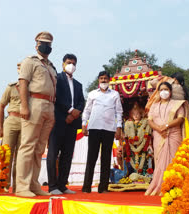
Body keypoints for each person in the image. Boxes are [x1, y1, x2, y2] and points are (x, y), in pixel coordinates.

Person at [15, 31, 56, 197]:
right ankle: (22, 186)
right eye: (43, 42)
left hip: (49, 105)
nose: (46, 46)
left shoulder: (51, 66)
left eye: (49, 43)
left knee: (39, 149)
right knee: (27, 146)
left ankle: (33, 184)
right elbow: (23, 84)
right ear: (37, 44)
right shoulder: (29, 61)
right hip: (34, 103)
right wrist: (24, 106)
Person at [47, 54, 85, 195]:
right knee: (53, 154)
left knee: (67, 155)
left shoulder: (78, 85)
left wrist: (76, 113)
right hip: (58, 121)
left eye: (74, 63)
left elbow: (81, 101)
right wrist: (70, 111)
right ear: (63, 64)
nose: (72, 65)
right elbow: (56, 97)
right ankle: (52, 186)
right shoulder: (56, 79)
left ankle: (62, 185)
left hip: (73, 123)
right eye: (69, 62)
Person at [145, 82, 189, 196]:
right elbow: (150, 121)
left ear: (170, 92)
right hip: (159, 136)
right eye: (161, 90)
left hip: (173, 135)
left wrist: (165, 126)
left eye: (166, 89)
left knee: (173, 160)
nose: (163, 92)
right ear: (158, 92)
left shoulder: (177, 104)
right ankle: (160, 185)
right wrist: (159, 129)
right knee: (159, 160)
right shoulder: (154, 105)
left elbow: (180, 119)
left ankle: (175, 185)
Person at [81, 71, 123, 193]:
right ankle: (86, 186)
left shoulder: (115, 94)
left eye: (105, 78)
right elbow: (87, 110)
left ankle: (103, 187)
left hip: (109, 129)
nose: (103, 81)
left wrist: (119, 127)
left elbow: (118, 112)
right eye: (101, 78)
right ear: (98, 80)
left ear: (109, 80)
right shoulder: (92, 94)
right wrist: (84, 124)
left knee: (106, 158)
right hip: (94, 128)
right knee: (91, 157)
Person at [0, 62, 22, 193]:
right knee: (6, 155)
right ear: (18, 70)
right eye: (20, 68)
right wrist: (0, 126)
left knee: (21, 157)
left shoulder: (32, 89)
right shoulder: (11, 87)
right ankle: (4, 185)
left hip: (25, 122)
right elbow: (1, 106)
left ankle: (18, 187)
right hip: (11, 121)